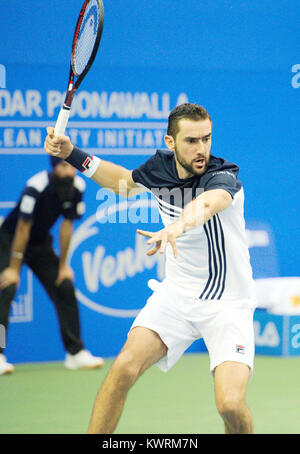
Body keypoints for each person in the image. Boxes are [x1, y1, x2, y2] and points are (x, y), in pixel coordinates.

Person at [44, 103, 256, 434]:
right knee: (124, 368)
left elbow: (208, 203)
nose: (201, 149)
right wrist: (72, 153)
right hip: (177, 296)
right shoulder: (159, 168)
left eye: (206, 139)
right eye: (191, 141)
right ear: (170, 143)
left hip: (227, 304)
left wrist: (176, 227)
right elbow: (123, 183)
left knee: (229, 404)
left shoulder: (222, 175)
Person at [0, 157, 104, 375]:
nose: (69, 172)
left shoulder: (77, 186)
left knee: (64, 285)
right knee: (5, 289)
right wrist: (13, 268)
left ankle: (75, 353)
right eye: (63, 167)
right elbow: (22, 227)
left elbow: (66, 227)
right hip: (9, 240)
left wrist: (64, 265)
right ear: (54, 167)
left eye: (72, 167)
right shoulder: (36, 186)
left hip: (39, 244)